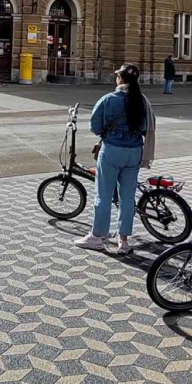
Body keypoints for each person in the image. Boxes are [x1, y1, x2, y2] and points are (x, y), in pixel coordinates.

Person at [74, 64, 157, 255]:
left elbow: (95, 126)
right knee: (127, 198)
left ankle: (97, 236)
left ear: (120, 79)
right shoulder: (142, 101)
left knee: (103, 195)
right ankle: (124, 241)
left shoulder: (108, 99)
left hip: (111, 151)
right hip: (134, 152)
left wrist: (108, 132)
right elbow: (146, 127)